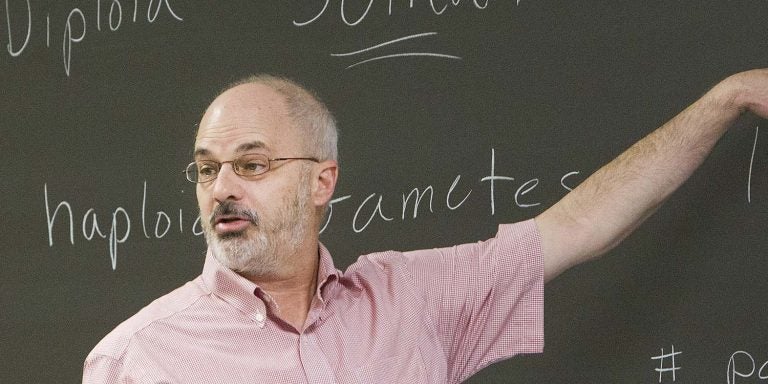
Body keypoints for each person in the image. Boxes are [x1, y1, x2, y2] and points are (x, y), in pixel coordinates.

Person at [83, 70, 768, 383]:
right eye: (206, 170)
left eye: (252, 164)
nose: (222, 188)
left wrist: (727, 98)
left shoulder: (410, 299)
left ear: (322, 181)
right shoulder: (136, 361)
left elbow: (582, 224)